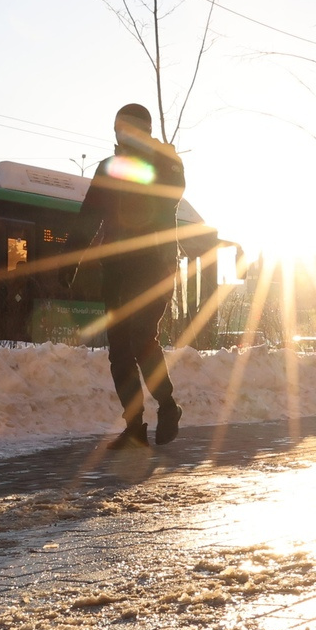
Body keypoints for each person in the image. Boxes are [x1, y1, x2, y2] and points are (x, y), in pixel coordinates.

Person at [72, 103, 185, 449]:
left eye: (128, 130)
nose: (121, 136)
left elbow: (167, 197)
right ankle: (134, 425)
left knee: (140, 336)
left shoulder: (167, 163)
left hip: (155, 266)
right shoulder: (109, 168)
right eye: (118, 130)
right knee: (119, 350)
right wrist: (69, 262)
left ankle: (167, 406)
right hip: (117, 270)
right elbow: (88, 217)